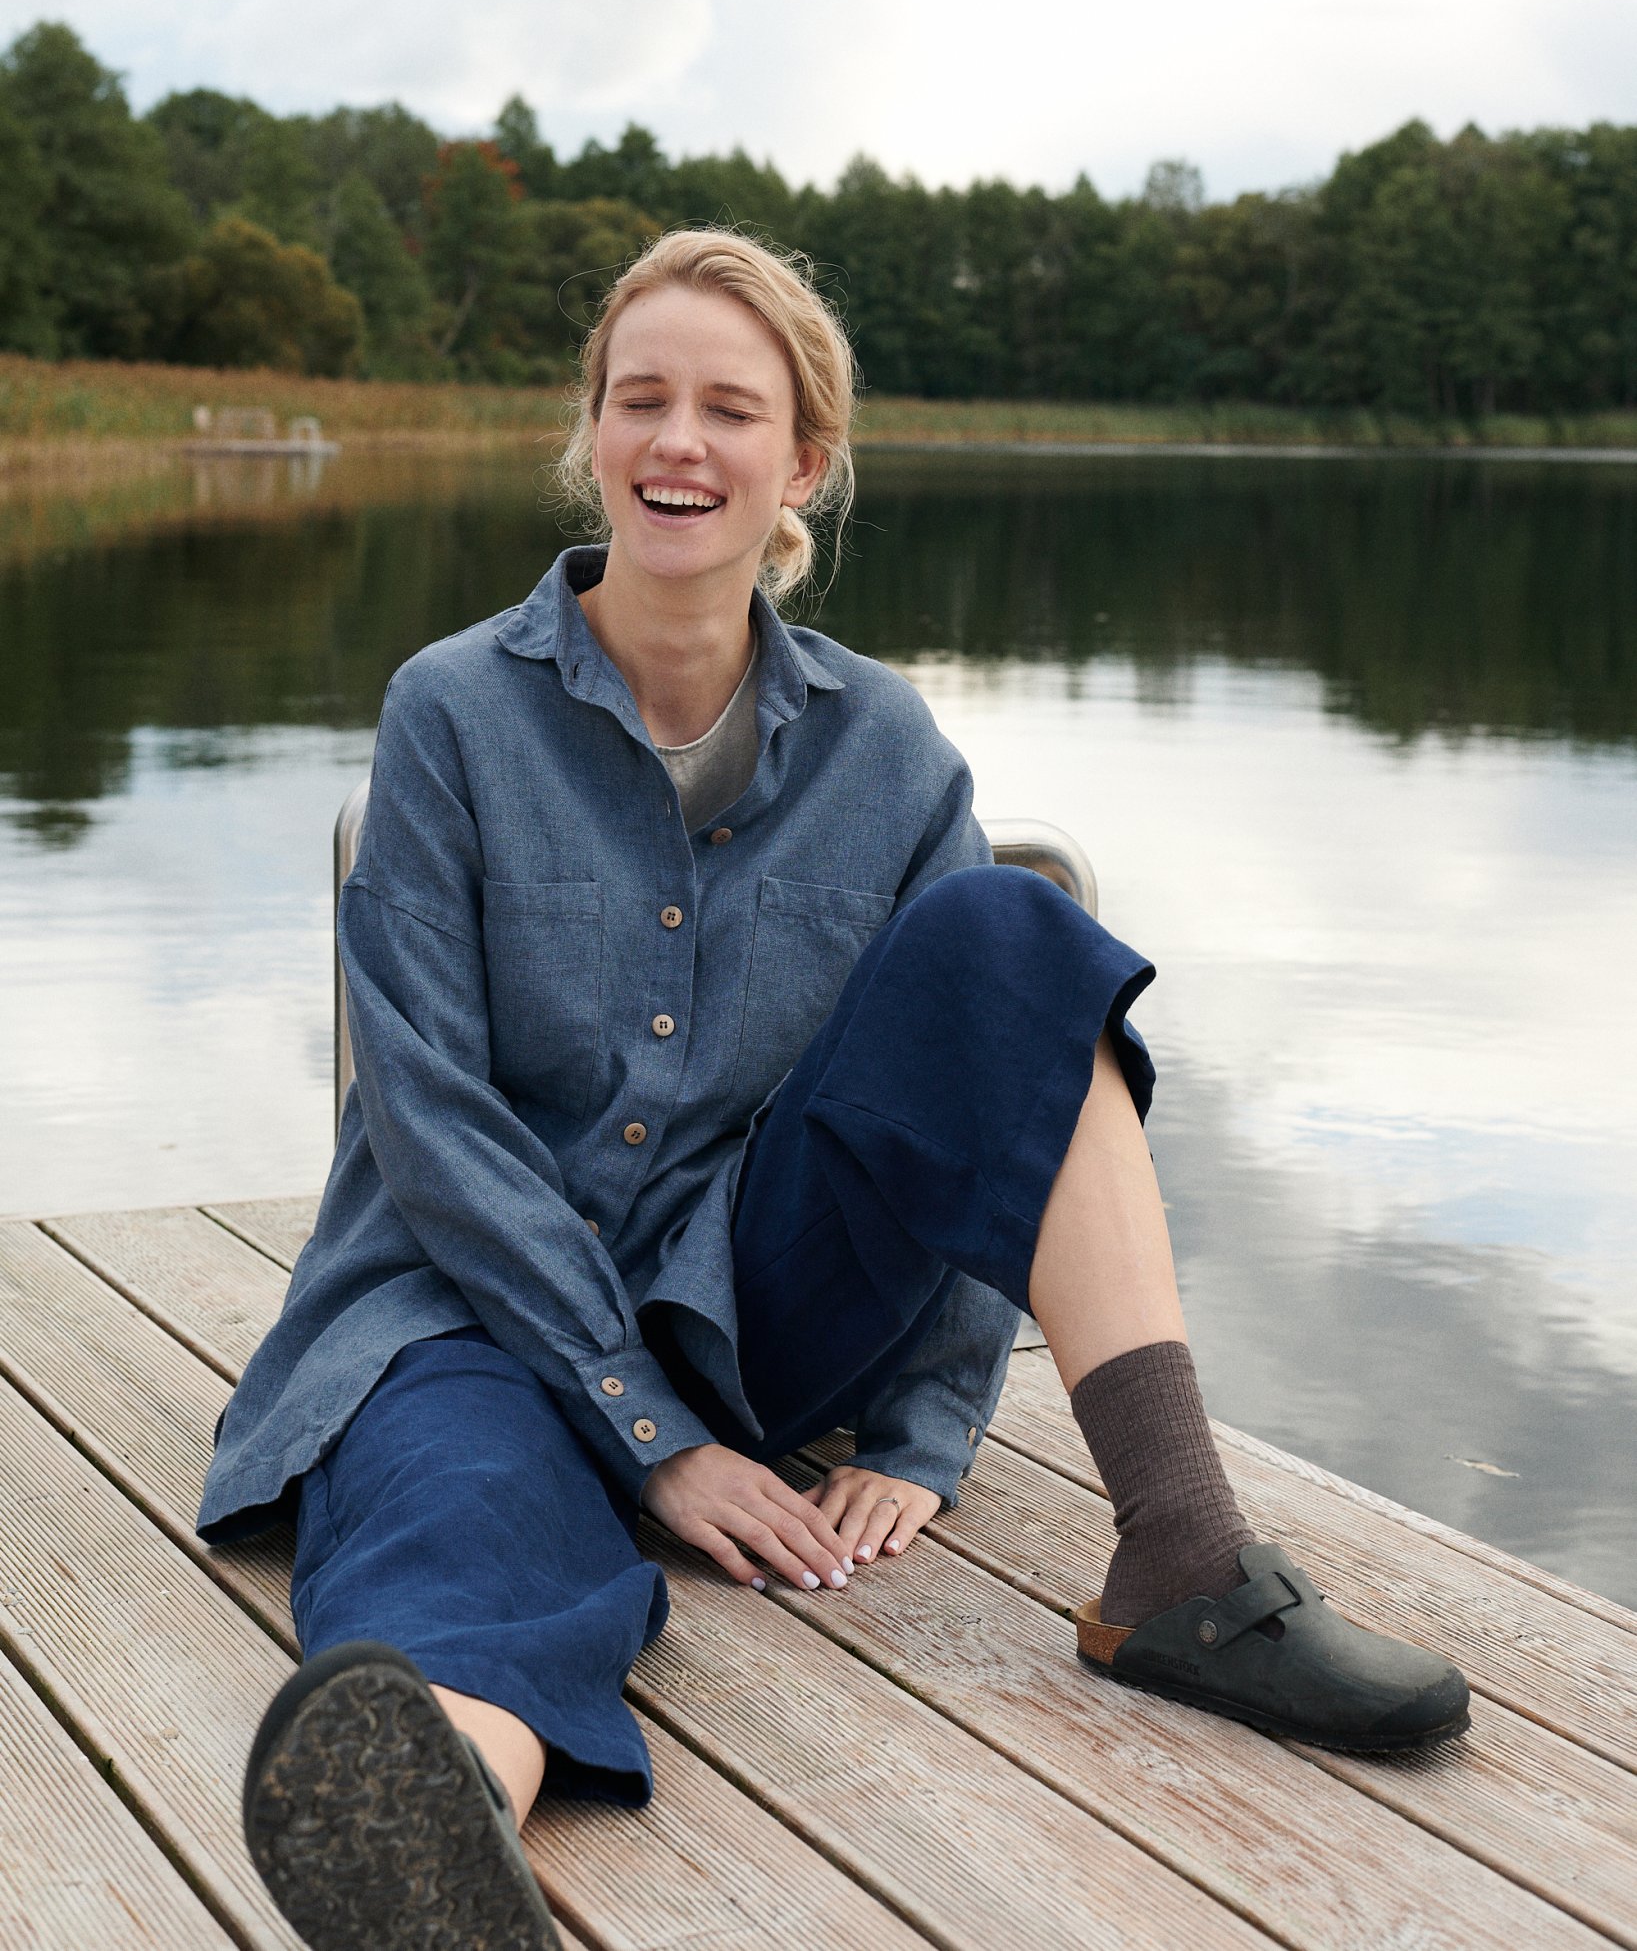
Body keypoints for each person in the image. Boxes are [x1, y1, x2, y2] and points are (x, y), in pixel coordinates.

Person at [202, 230, 1469, 1951]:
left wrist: (927, 1430)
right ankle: (442, 1845)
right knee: (466, 1515)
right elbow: (426, 1119)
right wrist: (652, 1444)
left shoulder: (888, 748)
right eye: (639, 400)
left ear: (799, 462)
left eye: (729, 409)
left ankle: (1181, 1554)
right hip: (465, 1309)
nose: (678, 442)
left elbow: (983, 1092)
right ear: (589, 435)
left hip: (745, 1297)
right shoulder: (448, 714)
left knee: (1015, 939)